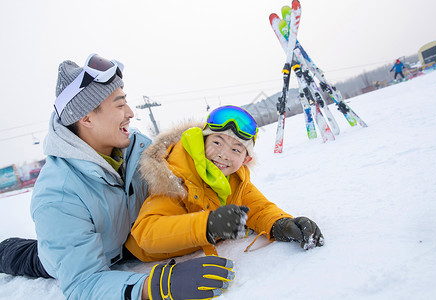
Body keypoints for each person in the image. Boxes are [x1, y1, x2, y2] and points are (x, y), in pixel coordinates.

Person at [0, 54, 235, 300]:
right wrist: (158, 285)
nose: (130, 112)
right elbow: (83, 283)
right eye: (120, 104)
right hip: (76, 252)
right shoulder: (57, 195)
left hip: (130, 242)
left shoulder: (138, 149)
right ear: (86, 118)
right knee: (25, 256)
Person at [124, 105, 324, 263]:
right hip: (145, 256)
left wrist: (281, 224)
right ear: (203, 142)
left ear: (246, 160)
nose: (223, 154)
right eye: (217, 142)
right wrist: (208, 225)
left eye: (236, 149)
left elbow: (256, 208)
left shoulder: (235, 178)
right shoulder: (174, 176)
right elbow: (147, 233)